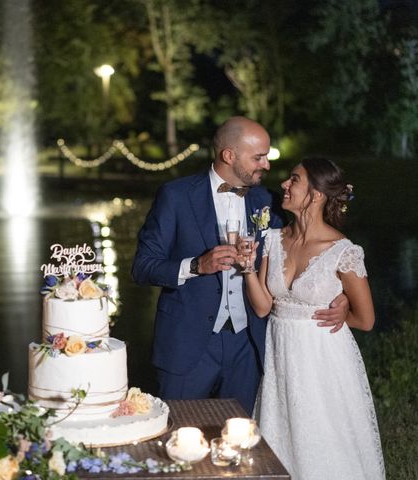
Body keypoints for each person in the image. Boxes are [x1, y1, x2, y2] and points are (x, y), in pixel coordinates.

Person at [131, 117, 348, 415]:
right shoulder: (176, 196)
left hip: (249, 344)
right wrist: (195, 265)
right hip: (188, 343)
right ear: (229, 156)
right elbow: (142, 267)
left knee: (241, 442)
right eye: (259, 157)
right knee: (175, 436)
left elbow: (311, 247)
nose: (267, 165)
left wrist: (341, 294)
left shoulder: (270, 201)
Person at [242, 157, 385, 479]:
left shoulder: (343, 250)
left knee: (325, 434)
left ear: (317, 195)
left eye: (294, 179)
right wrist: (248, 269)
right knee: (282, 430)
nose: (284, 185)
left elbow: (366, 320)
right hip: (281, 354)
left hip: (324, 357)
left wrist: (344, 309)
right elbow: (264, 306)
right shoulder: (274, 239)